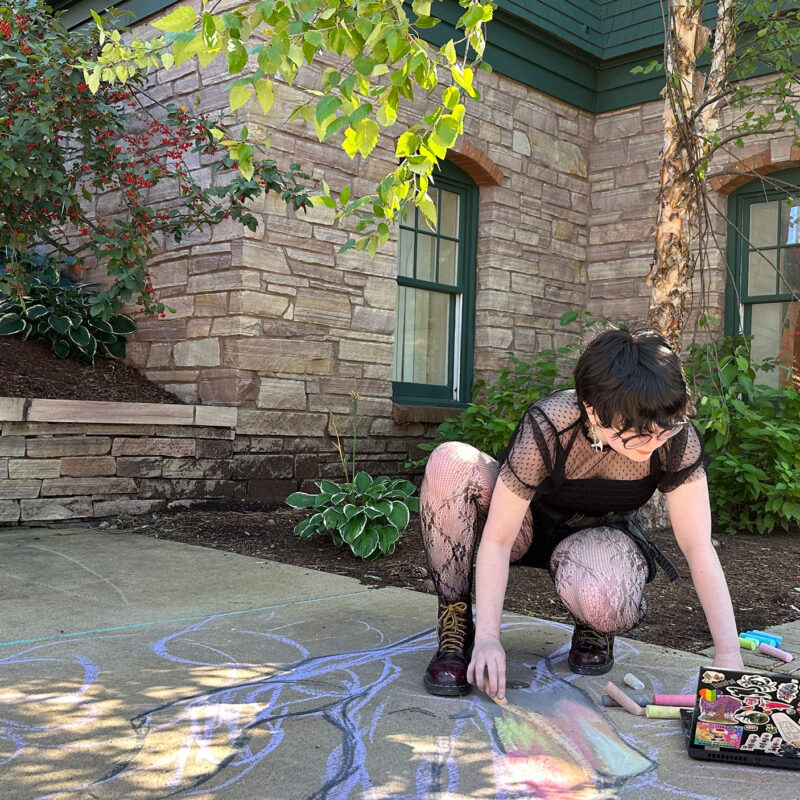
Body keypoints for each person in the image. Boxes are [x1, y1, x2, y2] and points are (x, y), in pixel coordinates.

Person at [419, 324, 745, 701]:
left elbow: (697, 546)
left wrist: (728, 655)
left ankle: (592, 624)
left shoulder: (676, 438)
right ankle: (456, 624)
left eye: (664, 431)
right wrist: (491, 639)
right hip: (525, 525)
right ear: (593, 409)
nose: (653, 443)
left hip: (598, 536)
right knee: (450, 463)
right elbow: (498, 538)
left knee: (609, 602)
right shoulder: (552, 423)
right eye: (637, 433)